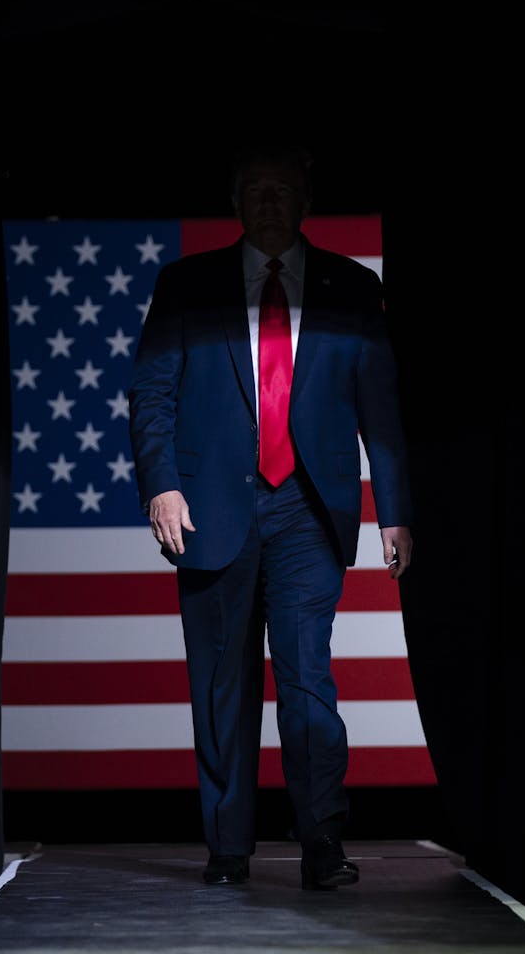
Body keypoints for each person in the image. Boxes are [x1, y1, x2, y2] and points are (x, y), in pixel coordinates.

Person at [128, 143, 413, 889]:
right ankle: (229, 847)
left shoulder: (352, 288)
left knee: (307, 676)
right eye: (255, 190)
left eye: (282, 190)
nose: (269, 203)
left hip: (308, 510)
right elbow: (152, 392)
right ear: (236, 201)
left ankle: (321, 837)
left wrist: (394, 511)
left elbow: (380, 407)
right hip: (211, 507)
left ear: (304, 201)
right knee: (221, 686)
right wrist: (161, 485)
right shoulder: (187, 284)